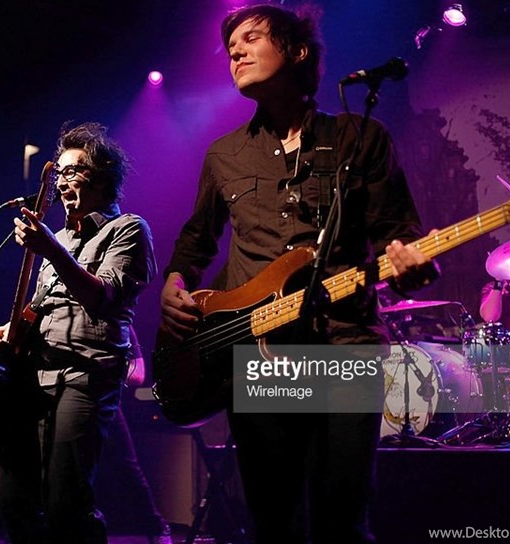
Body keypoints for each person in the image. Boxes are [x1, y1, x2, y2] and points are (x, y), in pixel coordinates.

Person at [158, 4, 439, 543]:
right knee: (274, 520)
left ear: (297, 50)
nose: (236, 52)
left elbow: (398, 232)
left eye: (251, 38)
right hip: (259, 353)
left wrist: (410, 263)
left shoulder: (361, 137)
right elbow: (196, 239)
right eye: (231, 47)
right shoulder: (225, 155)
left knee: (343, 521)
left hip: (344, 343)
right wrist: (175, 281)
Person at [0, 122, 157, 543]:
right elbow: (44, 305)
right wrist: (11, 330)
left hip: (85, 375)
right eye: (58, 173)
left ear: (101, 177)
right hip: (32, 379)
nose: (60, 182)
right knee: (13, 499)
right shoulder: (57, 238)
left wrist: (51, 249)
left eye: (72, 171)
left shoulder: (128, 229)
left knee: (66, 501)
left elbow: (103, 297)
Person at [97, 328, 172, 544]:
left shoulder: (121, 323)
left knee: (127, 468)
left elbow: (138, 374)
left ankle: (156, 527)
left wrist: (106, 368)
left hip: (105, 401)